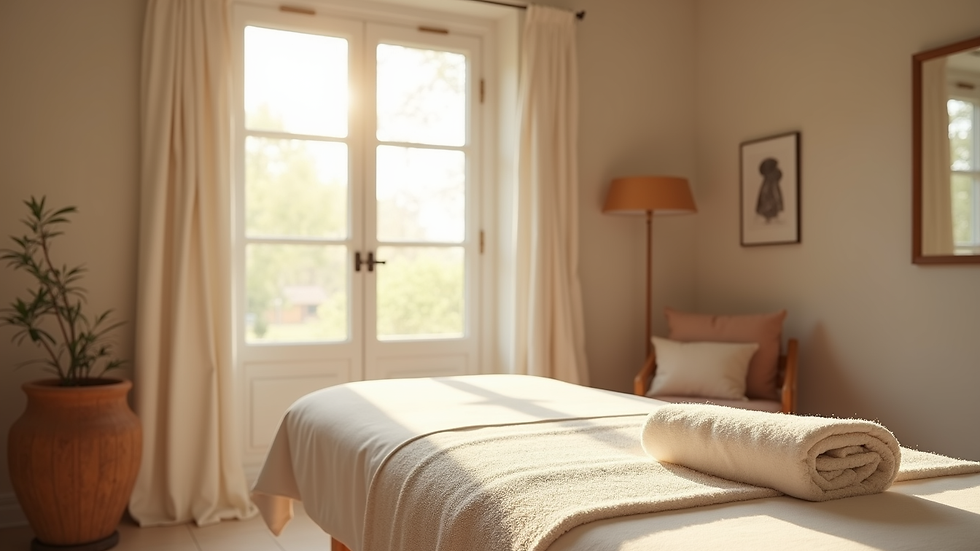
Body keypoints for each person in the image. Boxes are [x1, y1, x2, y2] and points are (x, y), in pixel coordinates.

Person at [755, 157, 783, 223]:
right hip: (768, 203)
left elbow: (776, 194)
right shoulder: (768, 182)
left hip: (771, 203)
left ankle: (771, 217)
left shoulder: (773, 183)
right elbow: (765, 193)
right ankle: (768, 217)